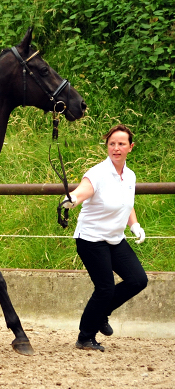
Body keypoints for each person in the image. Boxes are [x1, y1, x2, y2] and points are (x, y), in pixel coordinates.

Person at [63, 124, 148, 352]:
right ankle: (85, 337)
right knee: (105, 288)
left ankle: (101, 314)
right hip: (91, 239)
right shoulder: (97, 173)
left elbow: (126, 203)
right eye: (112, 144)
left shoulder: (129, 175)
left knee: (138, 280)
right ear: (107, 147)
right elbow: (83, 191)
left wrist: (135, 225)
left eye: (121, 144)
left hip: (115, 239)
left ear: (131, 147)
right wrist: (72, 199)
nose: (116, 148)